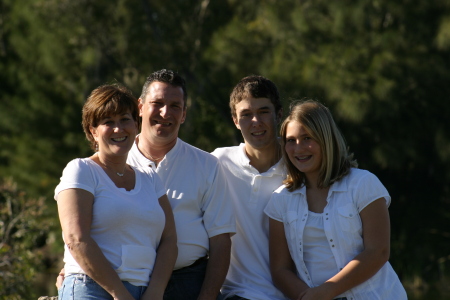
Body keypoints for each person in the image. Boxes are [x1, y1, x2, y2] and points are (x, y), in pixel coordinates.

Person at [264, 100, 407, 300]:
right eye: (291, 140)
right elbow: (280, 270)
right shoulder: (280, 200)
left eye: (307, 138)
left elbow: (378, 251)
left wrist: (328, 291)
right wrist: (308, 297)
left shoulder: (363, 183)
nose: (299, 148)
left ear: (326, 139)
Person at [55, 84, 177, 300]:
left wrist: (156, 291)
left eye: (124, 119)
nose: (118, 129)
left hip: (144, 292)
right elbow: (76, 239)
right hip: (91, 289)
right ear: (93, 131)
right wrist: (119, 293)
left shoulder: (150, 177)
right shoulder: (81, 170)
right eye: (108, 122)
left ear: (136, 125)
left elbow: (169, 240)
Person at [126, 69, 235, 300]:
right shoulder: (112, 162)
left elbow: (221, 242)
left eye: (175, 106)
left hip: (187, 283)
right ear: (140, 106)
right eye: (157, 103)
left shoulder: (207, 165)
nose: (165, 113)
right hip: (126, 281)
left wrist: (207, 297)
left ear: (184, 114)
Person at [211, 75, 288, 300]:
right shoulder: (218, 162)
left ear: (279, 114)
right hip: (237, 294)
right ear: (235, 120)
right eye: (246, 114)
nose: (256, 121)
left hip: (293, 293)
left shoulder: (300, 166)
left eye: (264, 111)